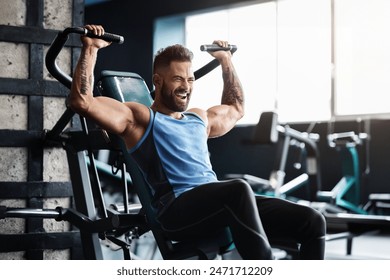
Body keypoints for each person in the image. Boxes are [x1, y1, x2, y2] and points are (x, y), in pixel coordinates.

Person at [70, 24, 326, 260]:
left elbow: (235, 107)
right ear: (157, 81)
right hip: (176, 211)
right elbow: (83, 101)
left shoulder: (198, 118)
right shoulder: (141, 118)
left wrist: (226, 61)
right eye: (178, 79)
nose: (186, 86)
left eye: (190, 79)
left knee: (313, 221)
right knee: (237, 190)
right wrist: (91, 49)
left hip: (218, 205)